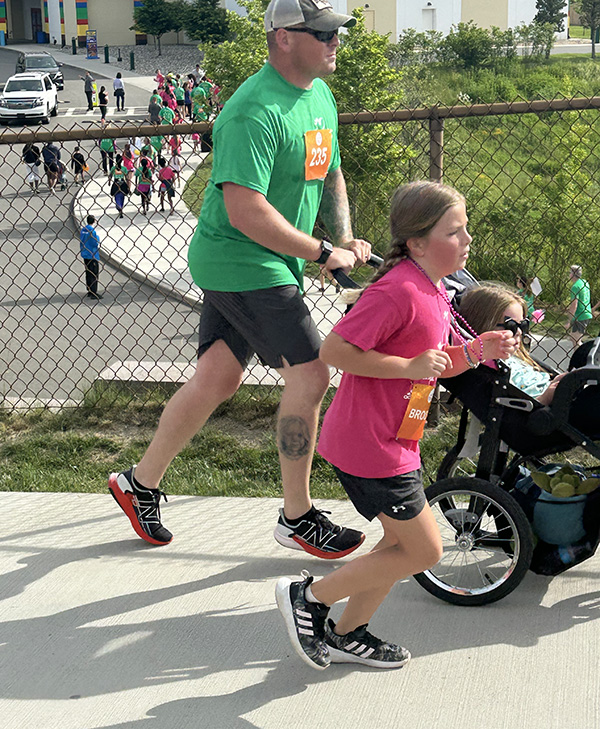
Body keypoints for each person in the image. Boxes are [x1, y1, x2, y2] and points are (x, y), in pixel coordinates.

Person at [107, 0, 372, 556]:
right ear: (282, 37)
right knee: (312, 373)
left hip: (264, 258)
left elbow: (330, 173)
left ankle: (139, 482)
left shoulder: (318, 95)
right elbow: (245, 212)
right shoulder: (253, 111)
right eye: (321, 32)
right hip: (240, 258)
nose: (334, 41)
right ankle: (297, 517)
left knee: (217, 379)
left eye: (336, 30)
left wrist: (343, 238)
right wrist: (323, 252)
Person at [275, 181, 517, 670]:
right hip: (370, 444)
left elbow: (432, 361)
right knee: (425, 550)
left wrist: (475, 351)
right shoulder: (399, 290)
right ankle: (310, 597)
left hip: (393, 440)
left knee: (398, 544)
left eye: (465, 228)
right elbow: (336, 350)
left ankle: (347, 633)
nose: (467, 238)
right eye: (455, 231)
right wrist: (406, 368)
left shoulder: (432, 289)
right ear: (418, 243)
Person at [566, 265, 592, 350]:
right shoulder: (584, 282)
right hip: (585, 313)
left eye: (570, 272)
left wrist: (569, 321)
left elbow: (574, 305)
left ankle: (582, 359)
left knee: (576, 341)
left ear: (573, 274)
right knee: (574, 338)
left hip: (580, 315)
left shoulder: (575, 286)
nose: (569, 274)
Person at [80, 215, 102, 300]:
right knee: (94, 273)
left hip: (85, 254)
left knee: (88, 272)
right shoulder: (92, 231)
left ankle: (89, 290)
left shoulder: (83, 230)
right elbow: (95, 242)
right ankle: (94, 291)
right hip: (92, 254)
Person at [108, 154, 130, 219]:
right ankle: (121, 207)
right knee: (122, 196)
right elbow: (127, 178)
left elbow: (110, 175)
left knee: (116, 196)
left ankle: (119, 207)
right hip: (123, 183)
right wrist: (128, 186)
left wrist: (109, 181)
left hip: (116, 183)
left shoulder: (113, 168)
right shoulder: (124, 169)